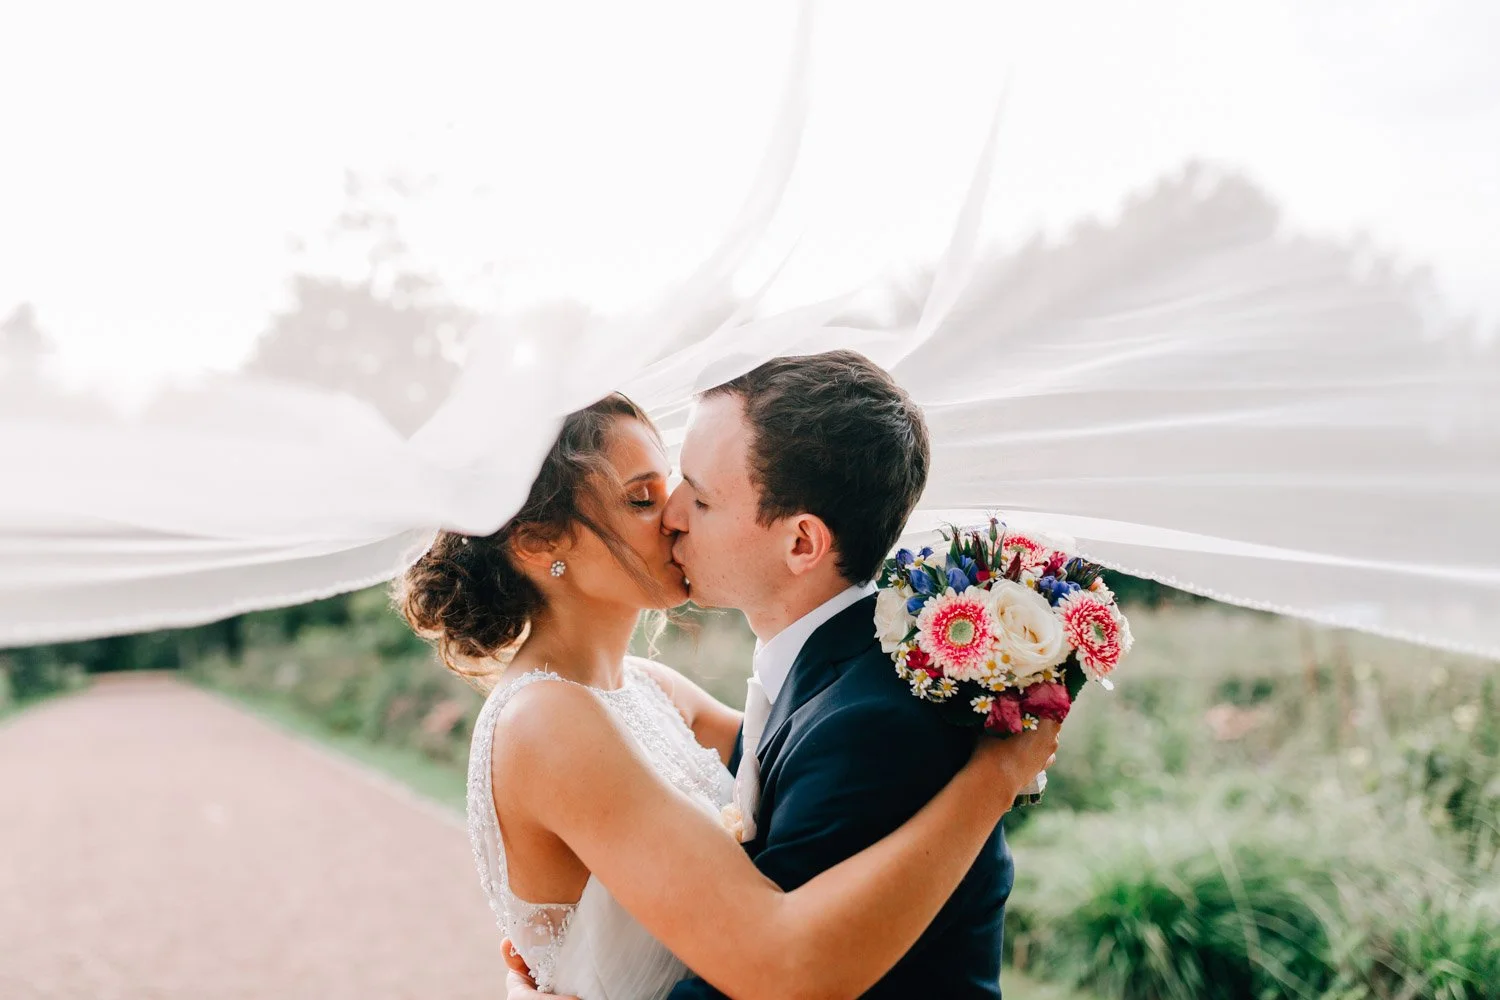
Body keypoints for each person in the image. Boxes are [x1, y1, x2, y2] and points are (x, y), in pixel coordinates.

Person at [399, 355, 1053, 1000]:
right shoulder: (549, 721)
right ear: (540, 543)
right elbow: (779, 960)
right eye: (642, 499)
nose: (673, 515)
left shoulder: (652, 690)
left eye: (679, 489)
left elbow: (804, 767)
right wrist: (995, 776)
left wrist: (992, 757)